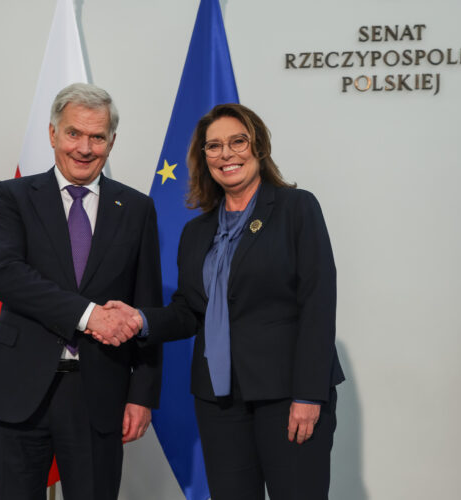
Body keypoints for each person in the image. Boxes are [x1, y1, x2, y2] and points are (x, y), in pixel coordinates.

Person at [104, 103, 344, 499]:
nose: (226, 154)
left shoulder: (296, 209)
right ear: (204, 159)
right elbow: (188, 312)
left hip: (286, 394)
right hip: (219, 401)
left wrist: (308, 394)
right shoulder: (196, 231)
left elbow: (318, 304)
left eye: (237, 142)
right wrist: (141, 320)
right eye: (213, 146)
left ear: (259, 147)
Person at [0, 83, 163, 500]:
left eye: (97, 137)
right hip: (22, 388)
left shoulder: (136, 209)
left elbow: (147, 306)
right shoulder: (16, 196)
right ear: (52, 134)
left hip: (100, 391)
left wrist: (142, 395)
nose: (85, 147)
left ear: (111, 142)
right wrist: (89, 315)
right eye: (74, 133)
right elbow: (6, 274)